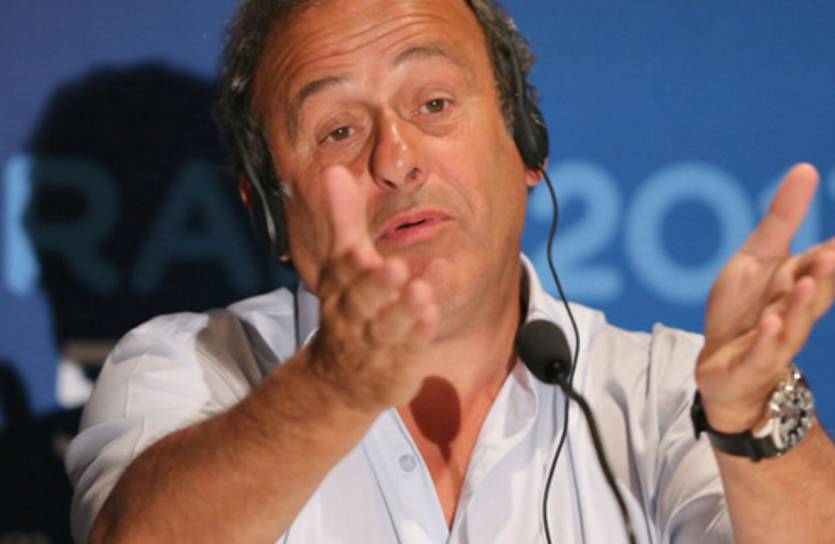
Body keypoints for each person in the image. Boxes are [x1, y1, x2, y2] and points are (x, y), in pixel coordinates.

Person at [65, 0, 835, 542]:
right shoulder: (184, 370)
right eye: (337, 130)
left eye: (433, 103)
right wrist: (334, 387)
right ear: (269, 207)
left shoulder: (663, 394)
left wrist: (752, 416)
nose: (395, 160)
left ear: (525, 144)